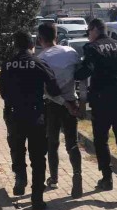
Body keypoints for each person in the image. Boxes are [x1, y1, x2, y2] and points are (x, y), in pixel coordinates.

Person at [75, 18, 117, 197]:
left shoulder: (92, 48)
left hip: (102, 102)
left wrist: (74, 73)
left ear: (95, 30)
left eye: (88, 32)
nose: (88, 36)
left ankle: (107, 178)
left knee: (101, 140)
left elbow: (86, 70)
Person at [0, 30, 62, 210]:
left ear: (15, 46)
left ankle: (20, 176)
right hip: (36, 115)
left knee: (17, 149)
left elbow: (2, 90)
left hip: (14, 114)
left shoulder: (8, 65)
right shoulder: (38, 63)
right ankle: (37, 199)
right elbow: (54, 88)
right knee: (38, 158)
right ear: (32, 45)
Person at [36, 22, 85, 199]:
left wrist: (64, 103)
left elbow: (47, 90)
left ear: (40, 39)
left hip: (53, 105)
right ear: (56, 35)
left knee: (52, 142)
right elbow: (82, 77)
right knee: (72, 142)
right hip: (72, 101)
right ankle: (77, 173)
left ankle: (54, 179)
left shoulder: (41, 58)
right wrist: (80, 103)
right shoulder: (71, 52)